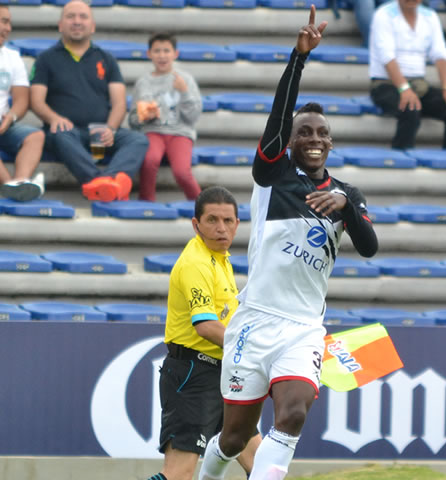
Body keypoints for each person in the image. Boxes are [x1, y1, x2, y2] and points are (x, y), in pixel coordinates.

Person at [198, 7, 378, 480]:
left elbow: (369, 246)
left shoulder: (347, 194)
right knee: (234, 437)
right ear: (291, 142)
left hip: (304, 328)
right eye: (304, 133)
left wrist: (346, 205)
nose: (314, 139)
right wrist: (298, 59)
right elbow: (278, 121)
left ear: (331, 143)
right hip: (255, 321)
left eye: (322, 133)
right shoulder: (273, 175)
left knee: (293, 414)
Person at [147, 186, 260, 480]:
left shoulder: (219, 257)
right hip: (193, 376)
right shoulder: (195, 264)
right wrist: (254, 351)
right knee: (178, 474)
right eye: (212, 220)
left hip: (223, 374)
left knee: (261, 466)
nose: (221, 228)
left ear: (237, 224)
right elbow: (206, 326)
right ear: (196, 225)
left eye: (228, 220)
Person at [29, 0, 148, 202]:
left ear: (92, 26)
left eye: (83, 17)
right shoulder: (45, 59)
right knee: (61, 135)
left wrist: (111, 128)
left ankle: (109, 181)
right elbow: (36, 101)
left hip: (100, 133)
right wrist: (54, 118)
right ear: (60, 25)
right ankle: (98, 182)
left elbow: (119, 103)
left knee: (138, 139)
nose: (77, 21)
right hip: (66, 134)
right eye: (70, 16)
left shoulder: (106, 59)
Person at [368, 0, 446, 151]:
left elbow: (440, 53)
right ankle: (401, 157)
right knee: (410, 108)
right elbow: (387, 56)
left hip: (418, 85)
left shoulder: (430, 16)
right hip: (385, 84)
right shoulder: (383, 15)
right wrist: (404, 89)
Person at [129, 32, 202, 203]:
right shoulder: (143, 83)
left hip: (180, 133)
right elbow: (132, 120)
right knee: (149, 160)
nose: (162, 56)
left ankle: (202, 205)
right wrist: (143, 116)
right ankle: (146, 202)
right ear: (149, 54)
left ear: (175, 54)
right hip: (153, 131)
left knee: (182, 172)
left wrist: (184, 92)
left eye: (166, 51)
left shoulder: (185, 80)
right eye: (157, 51)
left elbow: (193, 117)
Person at [0, 4, 45, 202]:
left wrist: (11, 117)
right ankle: (10, 185)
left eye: (9, 23)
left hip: (4, 124)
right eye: (3, 22)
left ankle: (20, 181)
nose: (8, 28)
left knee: (35, 136)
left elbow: (21, 99)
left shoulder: (12, 57)